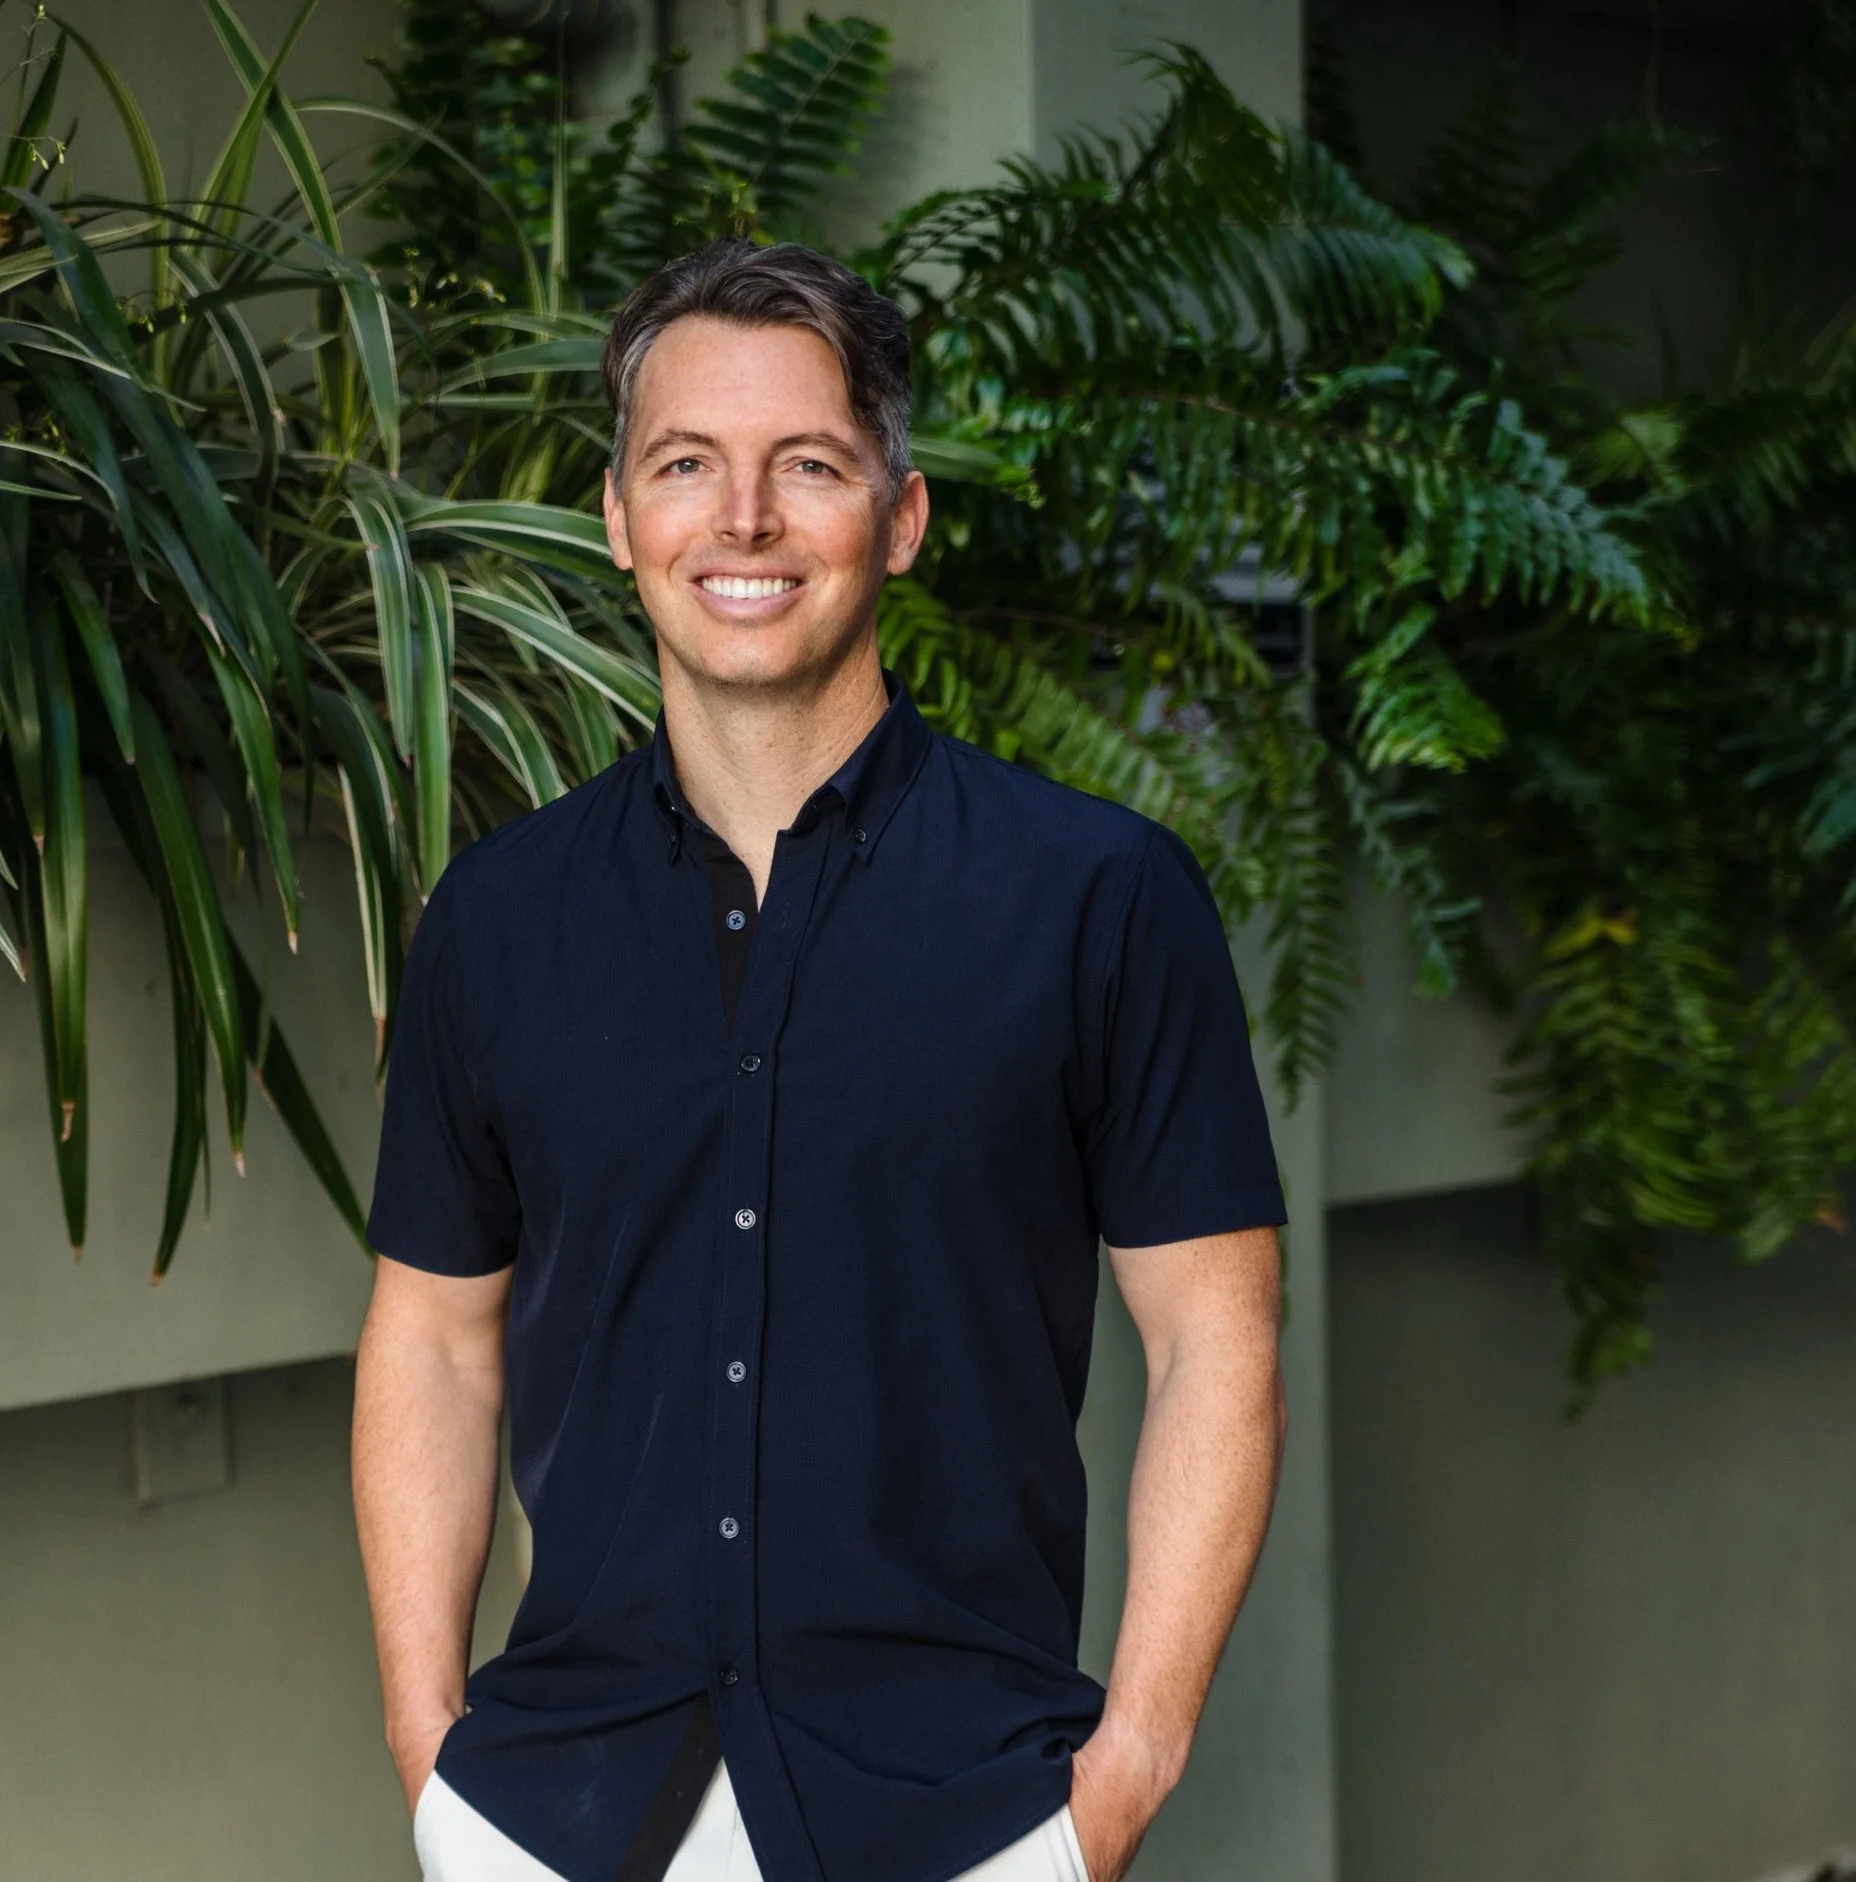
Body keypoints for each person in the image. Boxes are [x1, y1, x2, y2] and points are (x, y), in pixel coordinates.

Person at [351, 237, 1288, 1882]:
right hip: (556, 1816)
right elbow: (430, 1336)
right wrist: (431, 1750)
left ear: (901, 518)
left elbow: (1217, 1339)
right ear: (619, 516)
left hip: (971, 1816)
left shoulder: (1099, 898)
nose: (746, 521)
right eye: (687, 466)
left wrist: (1124, 1770)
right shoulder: (497, 920)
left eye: (811, 466)